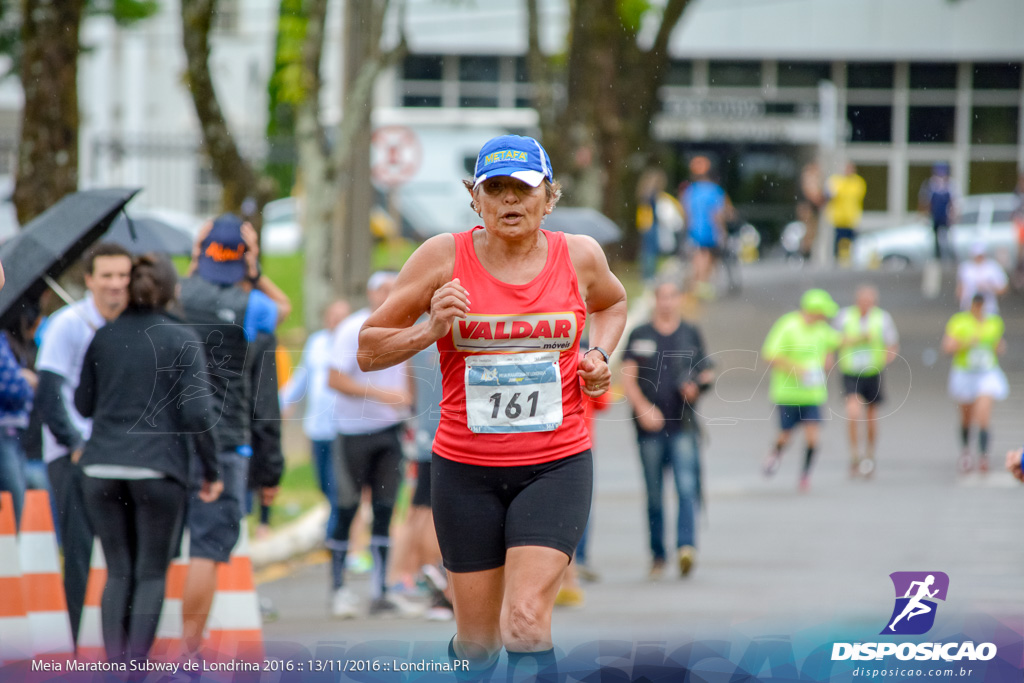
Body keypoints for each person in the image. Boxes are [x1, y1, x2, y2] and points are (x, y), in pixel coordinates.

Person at [357, 134, 627, 676]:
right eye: (495, 189)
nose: (509, 201)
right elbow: (368, 348)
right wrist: (431, 328)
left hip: (556, 465)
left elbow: (614, 302)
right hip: (465, 471)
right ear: (473, 198)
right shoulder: (441, 256)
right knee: (478, 643)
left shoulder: (579, 256)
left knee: (525, 621)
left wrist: (597, 355)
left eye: (523, 189)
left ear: (548, 198)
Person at [74, 254, 223, 665]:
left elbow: (83, 404)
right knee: (151, 572)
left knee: (117, 568)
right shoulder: (181, 338)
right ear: (172, 290)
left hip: (100, 468)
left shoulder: (103, 336)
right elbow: (198, 414)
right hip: (159, 468)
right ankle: (136, 668)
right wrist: (212, 470)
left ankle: (114, 668)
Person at [178, 213, 291, 659]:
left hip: (172, 439)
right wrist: (256, 268)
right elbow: (283, 309)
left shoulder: (178, 297)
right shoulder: (253, 308)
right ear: (243, 260)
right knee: (207, 549)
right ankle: (188, 649)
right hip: (226, 442)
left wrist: (193, 260)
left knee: (158, 550)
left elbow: (174, 289)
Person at [36, 242, 133, 645]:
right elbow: (49, 391)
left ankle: (123, 649)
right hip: (72, 453)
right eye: (106, 276)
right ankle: (73, 645)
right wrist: (75, 443)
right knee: (77, 555)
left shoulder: (132, 325)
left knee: (124, 557)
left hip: (119, 453)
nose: (115, 285)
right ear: (90, 280)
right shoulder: (68, 324)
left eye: (123, 276)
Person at [325, 271, 417, 619]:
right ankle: (338, 589)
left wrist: (409, 406)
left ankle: (380, 591)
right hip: (352, 432)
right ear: (370, 292)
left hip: (389, 432)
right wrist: (382, 396)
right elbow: (334, 378)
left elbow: (406, 374)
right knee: (347, 510)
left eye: (395, 288)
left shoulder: (404, 326)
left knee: (384, 510)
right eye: (382, 288)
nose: (389, 294)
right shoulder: (353, 328)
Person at [621, 279, 714, 579]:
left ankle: (686, 547)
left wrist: (696, 387)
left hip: (683, 425)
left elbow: (707, 370)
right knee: (654, 495)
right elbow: (627, 377)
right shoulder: (640, 334)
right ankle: (657, 555)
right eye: (662, 297)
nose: (667, 302)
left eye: (672, 296)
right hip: (649, 430)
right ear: (654, 300)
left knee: (687, 487)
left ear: (679, 300)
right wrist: (642, 408)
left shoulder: (690, 332)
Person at [280, 300, 350, 539]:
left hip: (342, 427)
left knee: (337, 483)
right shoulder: (317, 343)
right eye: (333, 316)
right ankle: (334, 524)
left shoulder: (353, 343)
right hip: (316, 426)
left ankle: (335, 533)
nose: (336, 321)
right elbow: (303, 376)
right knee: (322, 482)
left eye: (342, 316)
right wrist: (284, 402)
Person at [761, 289, 842, 492]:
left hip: (813, 394)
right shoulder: (788, 325)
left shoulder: (822, 329)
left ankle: (805, 475)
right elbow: (769, 354)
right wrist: (797, 369)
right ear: (814, 310)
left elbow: (836, 341)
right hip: (787, 393)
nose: (825, 317)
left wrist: (829, 354)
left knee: (813, 436)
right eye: (823, 312)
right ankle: (775, 453)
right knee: (785, 435)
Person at [833, 285, 899, 477]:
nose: (866, 304)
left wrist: (887, 357)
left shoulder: (882, 318)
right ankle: (854, 456)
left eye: (870, 301)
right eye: (863, 300)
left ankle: (869, 455)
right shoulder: (845, 316)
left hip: (872, 372)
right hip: (851, 372)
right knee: (853, 413)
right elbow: (833, 340)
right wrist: (855, 340)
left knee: (871, 417)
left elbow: (892, 344)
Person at [942, 293, 1008, 473]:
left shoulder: (993, 322)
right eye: (975, 305)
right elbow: (947, 347)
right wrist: (966, 343)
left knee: (983, 413)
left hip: (986, 372)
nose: (978, 308)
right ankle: (965, 451)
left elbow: (1000, 345)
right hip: (965, 372)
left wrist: (996, 347)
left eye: (981, 305)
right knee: (966, 417)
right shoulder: (959, 321)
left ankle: (983, 455)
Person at [0, 318, 36, 526]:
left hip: (10, 430)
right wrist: (26, 380)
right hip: (4, 428)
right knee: (14, 505)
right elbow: (14, 388)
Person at [680, 156, 728, 298]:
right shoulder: (715, 191)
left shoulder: (690, 191)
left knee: (698, 257)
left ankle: (697, 285)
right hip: (710, 230)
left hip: (694, 230)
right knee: (708, 257)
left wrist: (687, 228)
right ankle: (702, 285)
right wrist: (722, 231)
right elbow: (717, 214)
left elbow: (686, 213)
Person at [826, 161, 867, 266]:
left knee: (852, 243)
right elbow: (830, 195)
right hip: (839, 219)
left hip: (851, 219)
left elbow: (857, 196)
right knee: (839, 242)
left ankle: (851, 262)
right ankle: (838, 262)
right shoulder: (837, 181)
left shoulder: (858, 182)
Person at [919, 162, 960, 263]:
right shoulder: (930, 185)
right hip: (935, 216)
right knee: (935, 238)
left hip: (946, 216)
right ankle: (937, 257)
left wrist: (953, 215)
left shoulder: (951, 185)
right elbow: (925, 202)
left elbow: (954, 202)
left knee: (949, 238)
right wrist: (925, 216)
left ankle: (951, 258)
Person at [956, 243, 1007, 316]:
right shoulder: (965, 267)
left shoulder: (993, 267)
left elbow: (1003, 288)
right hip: (969, 309)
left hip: (989, 309)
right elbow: (959, 290)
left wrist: (989, 287)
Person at [796, 161, 825, 261]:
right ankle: (804, 254)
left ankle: (805, 254)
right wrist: (821, 201)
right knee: (809, 232)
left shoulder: (810, 177)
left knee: (811, 232)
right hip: (808, 208)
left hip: (810, 208)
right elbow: (811, 194)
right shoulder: (809, 177)